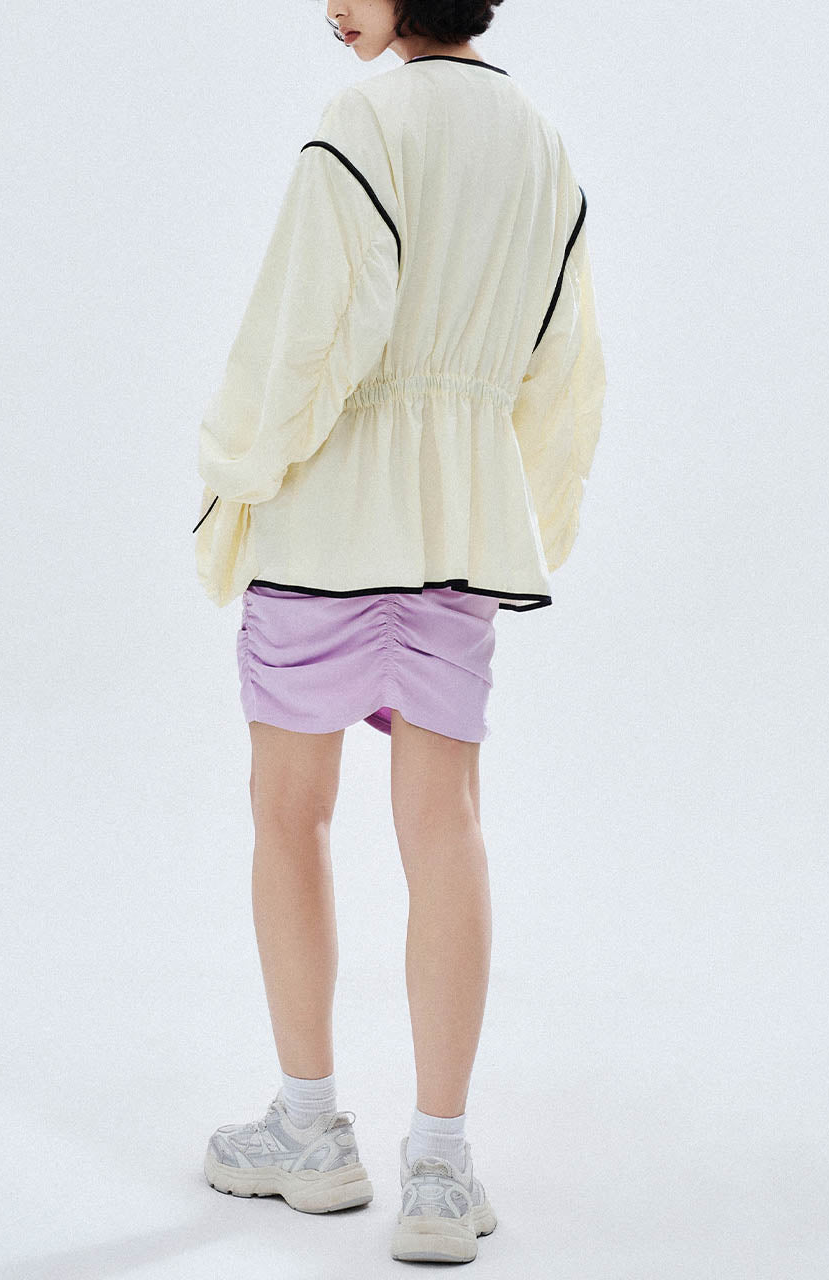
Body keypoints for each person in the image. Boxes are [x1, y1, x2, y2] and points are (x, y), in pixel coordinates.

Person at [195, 0, 607, 1263]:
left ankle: (309, 1130)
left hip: (327, 524)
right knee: (448, 829)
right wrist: (521, 514)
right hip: (457, 536)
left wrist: (232, 476)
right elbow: (564, 370)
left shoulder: (363, 122)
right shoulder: (540, 142)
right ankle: (439, 1163)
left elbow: (307, 336)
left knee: (288, 812)